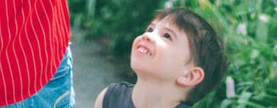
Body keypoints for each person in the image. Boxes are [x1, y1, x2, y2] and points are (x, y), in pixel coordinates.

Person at [94, 7, 228, 108]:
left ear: (189, 76)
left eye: (167, 36)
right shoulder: (109, 99)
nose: (148, 36)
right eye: (151, 30)